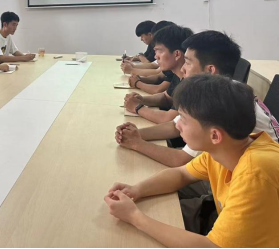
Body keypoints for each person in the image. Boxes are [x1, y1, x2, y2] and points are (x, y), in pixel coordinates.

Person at [105, 74, 279, 248]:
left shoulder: (255, 173)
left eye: (184, 119)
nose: (177, 125)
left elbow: (211, 246)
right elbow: (182, 174)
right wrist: (136, 190)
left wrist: (135, 217)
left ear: (214, 135)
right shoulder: (227, 147)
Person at [116, 31, 279, 168]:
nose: (182, 68)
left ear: (210, 70)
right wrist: (135, 135)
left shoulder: (218, 102)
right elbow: (174, 126)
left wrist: (137, 143)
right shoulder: (214, 90)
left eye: (187, 62)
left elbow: (180, 160)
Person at [124, 24, 193, 124]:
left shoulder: (190, 83)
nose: (156, 57)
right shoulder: (177, 74)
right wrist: (141, 100)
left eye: (159, 51)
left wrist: (137, 107)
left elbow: (169, 119)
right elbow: (166, 98)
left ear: (177, 54)